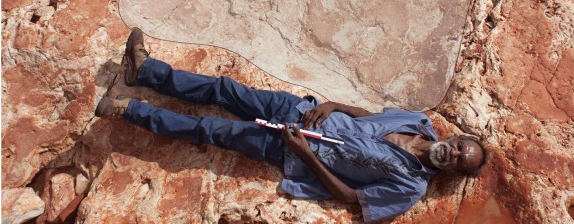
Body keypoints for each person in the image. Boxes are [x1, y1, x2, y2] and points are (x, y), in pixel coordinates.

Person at [95, 28, 489, 222]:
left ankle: (128, 111)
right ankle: (147, 71)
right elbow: (372, 118)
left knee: (209, 131)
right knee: (223, 89)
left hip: (291, 147)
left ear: (453, 172)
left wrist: (305, 154)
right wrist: (334, 104)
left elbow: (352, 198)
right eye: (459, 146)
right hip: (299, 109)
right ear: (455, 137)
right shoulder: (419, 122)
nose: (452, 153)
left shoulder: (410, 189)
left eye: (458, 161)